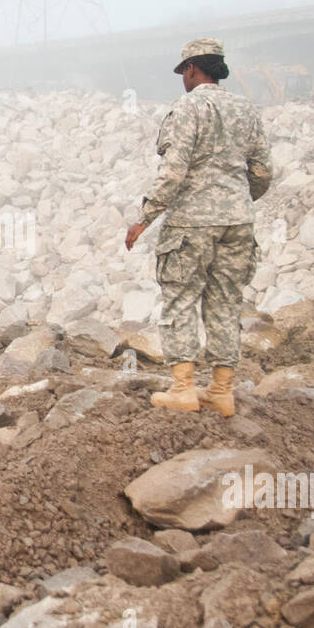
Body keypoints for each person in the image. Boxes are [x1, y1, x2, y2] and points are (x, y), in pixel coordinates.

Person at [125, 38, 272, 416]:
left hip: (191, 224)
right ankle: (222, 391)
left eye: (184, 73)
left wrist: (144, 218)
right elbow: (262, 171)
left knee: (181, 299)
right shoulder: (245, 109)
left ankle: (183, 389)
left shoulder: (188, 107)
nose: (183, 80)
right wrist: (237, 199)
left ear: (192, 69)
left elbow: (174, 171)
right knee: (226, 300)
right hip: (238, 222)